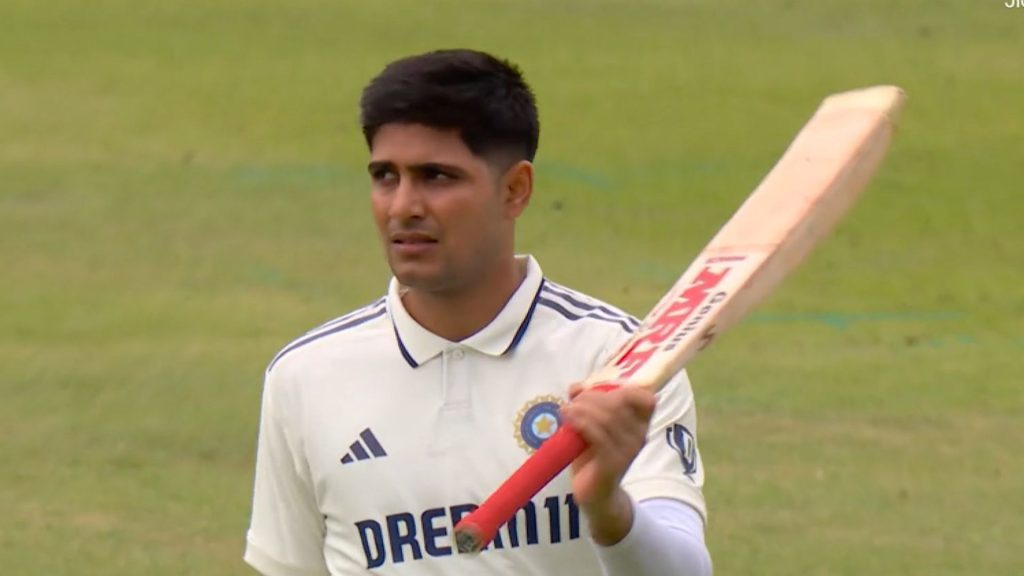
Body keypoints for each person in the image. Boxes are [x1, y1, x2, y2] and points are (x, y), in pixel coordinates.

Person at [244, 49, 712, 576]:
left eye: (436, 176)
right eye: (385, 176)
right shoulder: (305, 376)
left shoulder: (619, 363)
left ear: (514, 190)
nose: (403, 206)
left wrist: (608, 508)